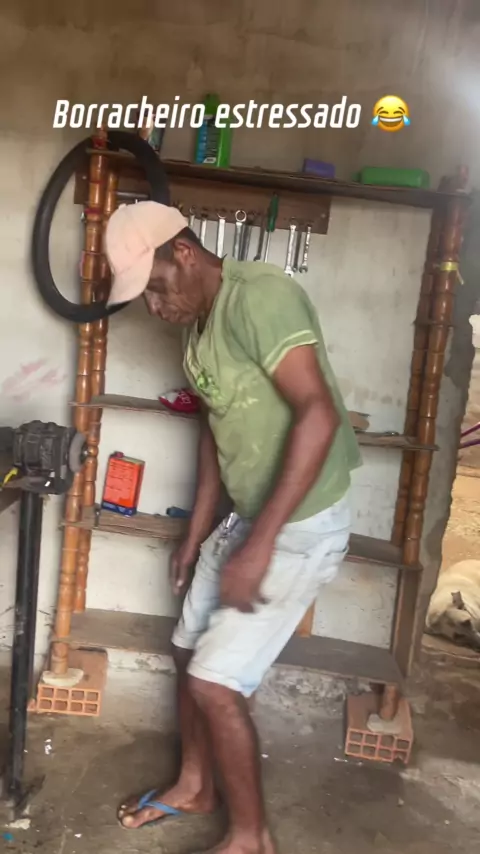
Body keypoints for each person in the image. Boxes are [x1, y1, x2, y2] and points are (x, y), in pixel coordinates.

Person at [104, 201, 361, 854]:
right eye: (145, 299)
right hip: (249, 515)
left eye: (157, 288)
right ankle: (197, 786)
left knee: (214, 682)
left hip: (301, 521)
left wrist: (262, 544)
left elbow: (319, 414)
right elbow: (215, 431)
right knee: (186, 649)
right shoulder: (198, 330)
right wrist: (197, 534)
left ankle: (252, 839)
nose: (155, 308)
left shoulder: (260, 297)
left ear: (184, 252)